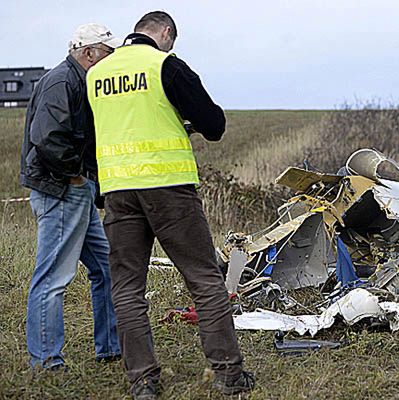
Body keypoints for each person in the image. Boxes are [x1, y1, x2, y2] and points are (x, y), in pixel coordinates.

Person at [86, 11, 254, 399]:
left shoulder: (97, 74)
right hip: (168, 188)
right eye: (171, 40)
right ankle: (229, 375)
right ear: (165, 33)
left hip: (118, 191)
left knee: (127, 289)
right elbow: (214, 124)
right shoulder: (166, 65)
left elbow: (91, 133)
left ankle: (143, 382)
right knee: (205, 280)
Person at [20, 23, 122, 370]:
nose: (111, 61)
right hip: (61, 190)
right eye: (107, 54)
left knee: (108, 267)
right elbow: (47, 138)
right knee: (53, 277)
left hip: (75, 191)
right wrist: (76, 177)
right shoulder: (62, 81)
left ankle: (110, 347)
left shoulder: (79, 81)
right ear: (88, 52)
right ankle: (47, 361)